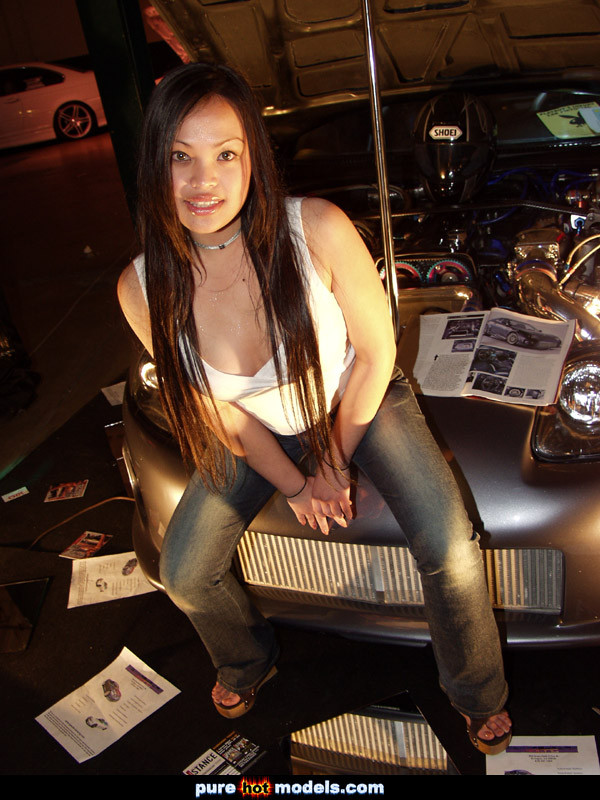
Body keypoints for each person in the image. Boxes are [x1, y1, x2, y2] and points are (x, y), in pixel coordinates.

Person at [117, 62, 512, 754]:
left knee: (450, 545)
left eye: (225, 154)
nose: (204, 181)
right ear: (155, 163)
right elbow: (224, 417)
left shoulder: (317, 227)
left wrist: (330, 459)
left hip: (355, 397)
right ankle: (248, 660)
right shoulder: (140, 287)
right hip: (254, 431)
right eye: (181, 157)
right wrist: (298, 485)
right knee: (182, 570)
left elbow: (376, 351)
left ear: (253, 158)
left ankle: (477, 692)